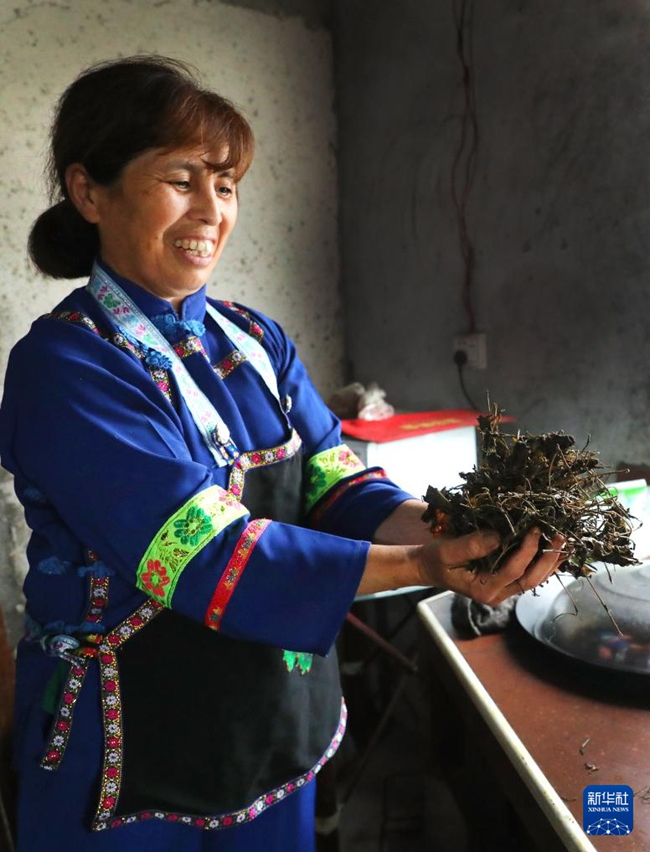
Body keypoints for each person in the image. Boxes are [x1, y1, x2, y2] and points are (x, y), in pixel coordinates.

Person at [0, 55, 565, 852]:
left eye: (225, 185)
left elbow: (337, 486)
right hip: (130, 755)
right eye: (181, 179)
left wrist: (448, 527)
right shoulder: (67, 366)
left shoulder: (256, 342)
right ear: (89, 191)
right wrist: (424, 567)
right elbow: (192, 551)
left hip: (272, 725)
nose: (211, 210)